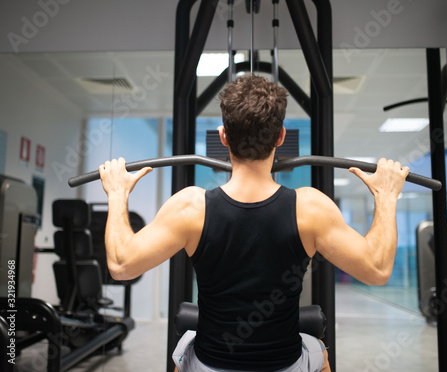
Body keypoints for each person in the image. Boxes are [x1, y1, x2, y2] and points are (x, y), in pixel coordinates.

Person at [98, 75, 409, 372]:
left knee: (185, 350)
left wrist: (116, 194)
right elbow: (378, 269)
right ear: (281, 137)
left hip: (210, 364)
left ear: (223, 137)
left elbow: (121, 265)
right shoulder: (310, 207)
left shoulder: (190, 206)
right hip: (284, 365)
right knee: (318, 349)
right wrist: (386, 196)